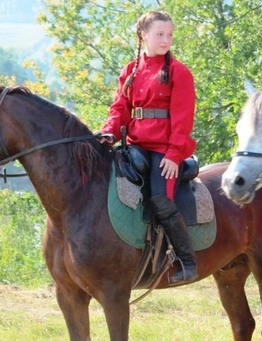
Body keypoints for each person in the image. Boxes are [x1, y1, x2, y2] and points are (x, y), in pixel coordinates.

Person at [98, 11, 198, 283]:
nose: (166, 40)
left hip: (165, 149)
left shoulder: (179, 72)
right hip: (135, 144)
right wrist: (108, 131)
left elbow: (182, 117)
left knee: (160, 198)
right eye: (160, 34)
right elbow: (120, 108)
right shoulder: (130, 71)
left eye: (170, 35)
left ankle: (187, 262)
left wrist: (175, 155)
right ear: (143, 35)